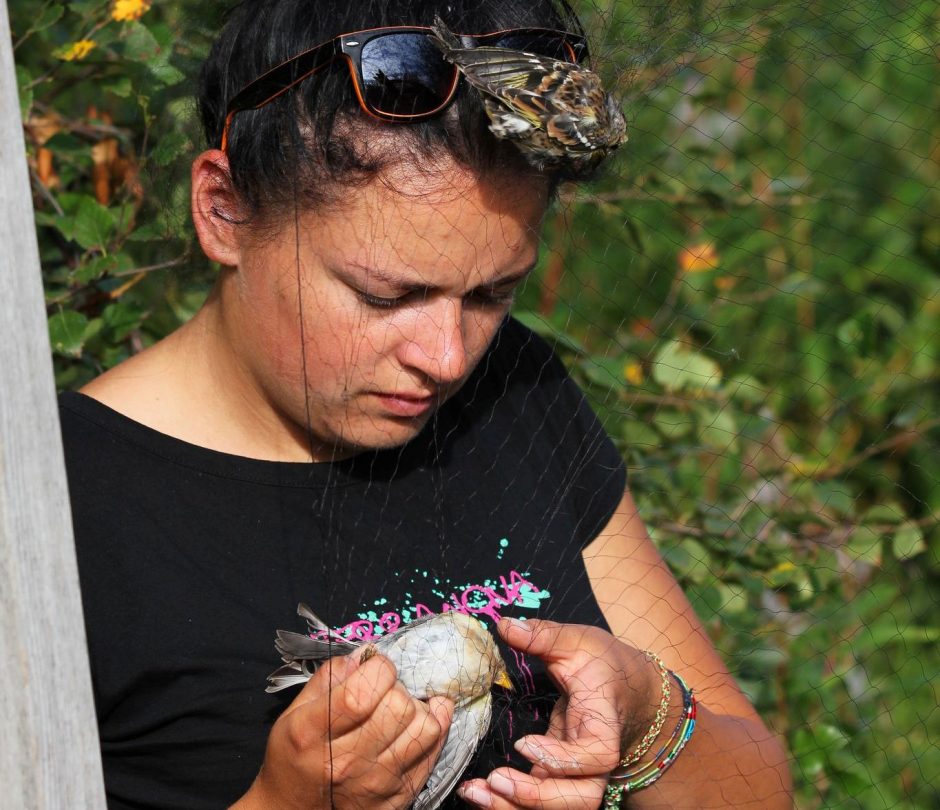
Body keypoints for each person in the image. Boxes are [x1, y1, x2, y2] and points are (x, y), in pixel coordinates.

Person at [59, 0, 793, 808]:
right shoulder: (58, 509)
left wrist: (647, 712)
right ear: (225, 210)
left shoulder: (515, 394)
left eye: (491, 294)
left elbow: (755, 791)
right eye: (384, 296)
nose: (446, 358)